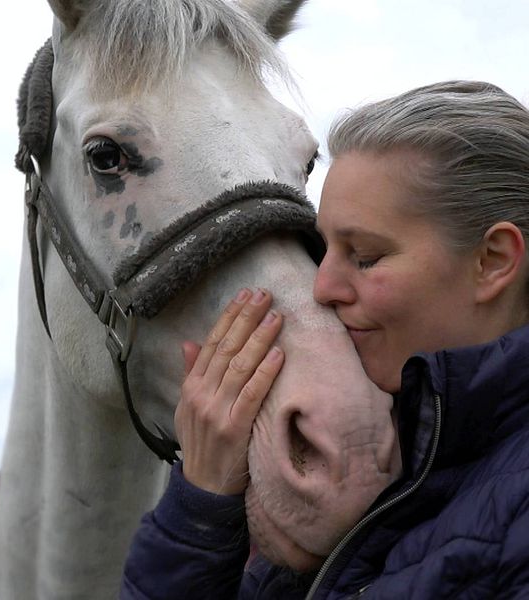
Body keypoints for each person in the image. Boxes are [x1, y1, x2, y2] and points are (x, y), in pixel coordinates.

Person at [120, 81, 529, 599]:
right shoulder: (394, 451)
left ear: (492, 261)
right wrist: (201, 508)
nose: (322, 288)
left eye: (364, 257)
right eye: (324, 248)